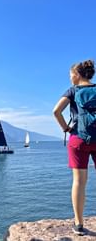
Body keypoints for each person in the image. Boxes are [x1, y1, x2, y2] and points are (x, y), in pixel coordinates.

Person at [53, 59, 96, 236]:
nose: (70, 78)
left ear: (77, 75)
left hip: (78, 139)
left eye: (71, 75)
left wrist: (66, 128)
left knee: (79, 182)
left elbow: (56, 111)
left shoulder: (73, 90)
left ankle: (78, 224)